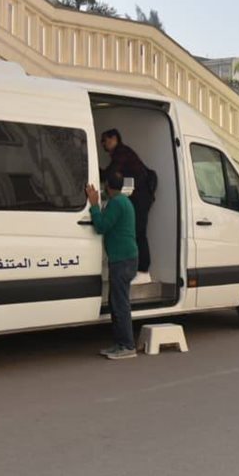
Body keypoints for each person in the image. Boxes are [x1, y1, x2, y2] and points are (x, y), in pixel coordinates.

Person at [86, 170, 139, 359]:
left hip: (122, 260)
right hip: (125, 259)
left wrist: (94, 205)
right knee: (116, 302)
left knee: (120, 304)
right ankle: (119, 344)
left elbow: (101, 226)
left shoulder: (116, 203)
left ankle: (127, 346)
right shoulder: (123, 201)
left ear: (107, 186)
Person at [99, 129, 155, 285]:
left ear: (114, 138)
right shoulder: (122, 153)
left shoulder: (121, 153)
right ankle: (138, 270)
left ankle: (143, 271)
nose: (103, 144)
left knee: (139, 232)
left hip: (141, 197)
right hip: (137, 197)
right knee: (135, 232)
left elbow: (110, 174)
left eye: (104, 140)